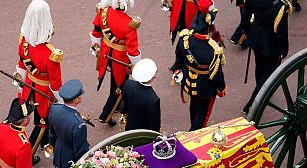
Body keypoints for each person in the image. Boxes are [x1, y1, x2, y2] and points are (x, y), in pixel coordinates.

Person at [14, 0, 63, 165]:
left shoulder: (24, 43)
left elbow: (21, 65)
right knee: (43, 122)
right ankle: (28, 155)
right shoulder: (51, 54)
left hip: (29, 84)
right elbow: (56, 83)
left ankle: (43, 142)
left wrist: (21, 84)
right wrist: (62, 101)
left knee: (36, 115)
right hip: (44, 90)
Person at [170, 0, 227, 131]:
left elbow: (179, 60)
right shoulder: (213, 49)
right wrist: (221, 88)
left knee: (194, 108)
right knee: (202, 116)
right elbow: (216, 74)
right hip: (204, 87)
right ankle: (192, 137)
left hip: (189, 82)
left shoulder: (184, 38)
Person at [89, 0, 142, 126]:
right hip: (120, 59)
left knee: (115, 82)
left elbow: (96, 31)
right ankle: (106, 115)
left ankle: (118, 106)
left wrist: (96, 48)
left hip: (106, 53)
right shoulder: (129, 24)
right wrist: (137, 65)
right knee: (119, 88)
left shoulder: (104, 11)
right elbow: (132, 50)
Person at [240, 0, 291, 114]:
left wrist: (248, 31)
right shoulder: (281, 5)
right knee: (268, 72)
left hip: (256, 36)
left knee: (260, 66)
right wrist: (283, 50)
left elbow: (245, 16)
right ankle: (253, 103)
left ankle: (262, 91)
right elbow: (281, 32)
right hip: (270, 42)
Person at [49, 80, 90, 168]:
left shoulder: (54, 109)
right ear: (77, 100)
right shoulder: (79, 125)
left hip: (59, 154)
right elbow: (80, 153)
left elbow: (51, 135)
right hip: (70, 162)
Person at [120, 58, 161, 132]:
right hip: (144, 132)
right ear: (151, 78)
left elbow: (123, 106)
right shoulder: (153, 99)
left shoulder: (128, 83)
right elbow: (155, 125)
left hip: (129, 126)